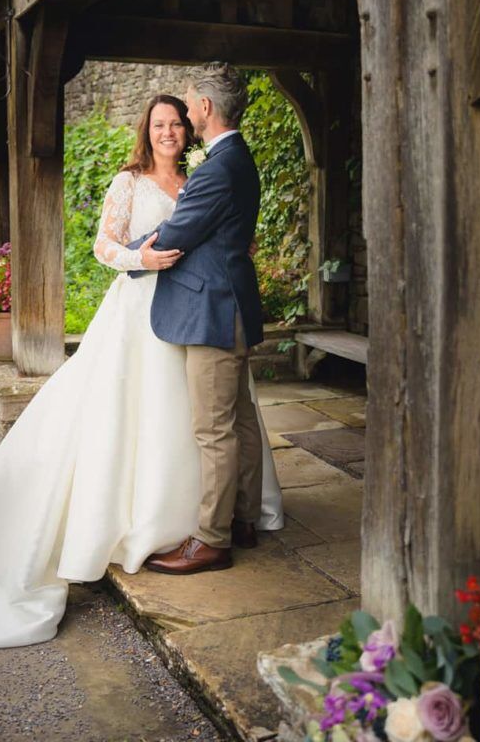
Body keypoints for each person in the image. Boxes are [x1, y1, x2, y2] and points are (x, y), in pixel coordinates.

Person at [0, 89, 283, 651]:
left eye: (177, 124)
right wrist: (141, 257)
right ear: (147, 131)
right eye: (160, 124)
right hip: (143, 314)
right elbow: (103, 245)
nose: (169, 132)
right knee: (156, 416)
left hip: (194, 313)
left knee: (207, 420)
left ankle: (215, 521)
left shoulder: (202, 178)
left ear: (191, 127)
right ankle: (191, 517)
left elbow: (210, 235)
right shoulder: (128, 181)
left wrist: (169, 250)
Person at [129, 63, 270, 575]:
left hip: (212, 307)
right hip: (230, 300)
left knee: (214, 429)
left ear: (206, 108)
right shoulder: (238, 157)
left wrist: (134, 253)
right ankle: (245, 518)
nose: (185, 114)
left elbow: (177, 233)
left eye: (189, 105)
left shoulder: (215, 168)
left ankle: (212, 539)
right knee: (240, 417)